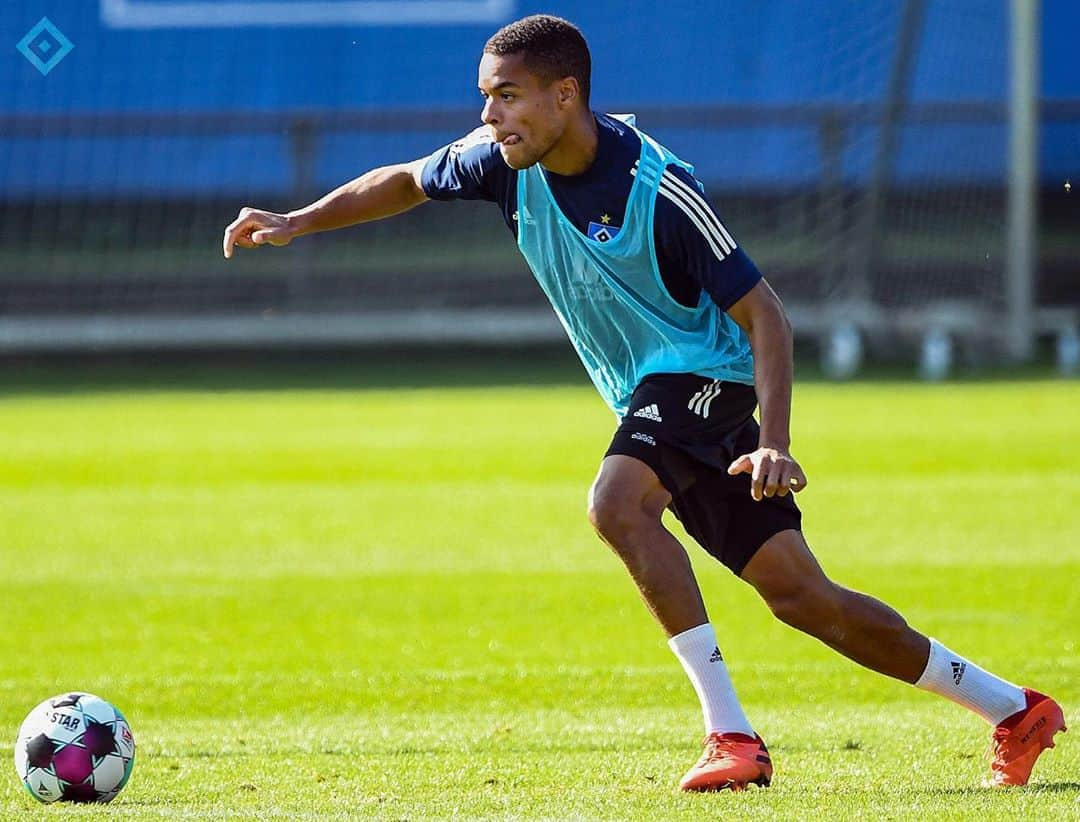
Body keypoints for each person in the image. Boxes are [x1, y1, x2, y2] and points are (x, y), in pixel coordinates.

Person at [223, 14, 1065, 792]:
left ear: (566, 96)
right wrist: (299, 219)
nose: (491, 116)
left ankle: (731, 738)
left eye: (507, 96)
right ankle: (1014, 710)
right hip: (659, 393)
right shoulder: (501, 159)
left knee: (616, 504)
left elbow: (765, 314)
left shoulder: (655, 190)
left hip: (712, 379)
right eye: (485, 97)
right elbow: (405, 180)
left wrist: (774, 440)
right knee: (802, 597)